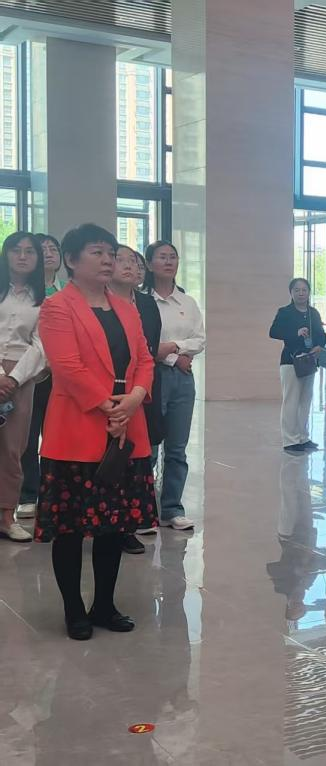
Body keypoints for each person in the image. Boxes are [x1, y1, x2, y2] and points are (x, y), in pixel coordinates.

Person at [35, 224, 158, 640]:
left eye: (111, 253)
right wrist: (110, 406)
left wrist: (134, 399)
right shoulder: (57, 307)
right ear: (71, 260)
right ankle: (74, 609)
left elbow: (144, 359)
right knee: (70, 528)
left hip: (126, 423)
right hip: (78, 427)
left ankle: (104, 603)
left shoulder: (126, 307)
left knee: (113, 524)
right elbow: (67, 367)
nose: (108, 260)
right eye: (97, 252)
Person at [141, 240, 204, 532]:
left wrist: (174, 348)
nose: (168, 262)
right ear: (149, 263)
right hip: (151, 376)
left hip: (182, 380)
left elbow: (199, 339)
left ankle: (172, 508)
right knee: (149, 448)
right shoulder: (142, 301)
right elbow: (144, 344)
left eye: (173, 257)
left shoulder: (187, 302)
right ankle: (144, 510)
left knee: (177, 448)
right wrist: (174, 358)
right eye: (162, 257)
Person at [111, 245, 165, 554]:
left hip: (140, 390)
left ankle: (128, 526)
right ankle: (105, 523)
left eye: (133, 260)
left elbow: (149, 350)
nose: (129, 265)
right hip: (107, 392)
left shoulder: (146, 303)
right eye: (120, 259)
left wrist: (138, 391)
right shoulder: (98, 303)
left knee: (135, 460)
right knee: (108, 461)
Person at [0, 232, 47, 543]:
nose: (22, 256)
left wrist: (13, 379)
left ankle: (6, 516)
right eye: (16, 250)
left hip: (22, 377)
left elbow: (41, 346)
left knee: (12, 449)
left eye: (30, 251)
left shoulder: (43, 300)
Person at [16, 234, 63, 523]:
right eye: (41, 249)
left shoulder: (68, 290)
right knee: (28, 436)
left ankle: (54, 492)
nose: (48, 253)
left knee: (57, 436)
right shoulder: (27, 293)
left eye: (53, 248)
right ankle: (28, 494)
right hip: (32, 373)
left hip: (62, 375)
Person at [270, 277, 326, 454]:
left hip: (309, 360)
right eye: (297, 290)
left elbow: (321, 334)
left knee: (305, 400)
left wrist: (319, 346)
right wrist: (296, 332)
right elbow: (274, 332)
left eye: (304, 290)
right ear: (291, 293)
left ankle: (303, 437)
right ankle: (290, 440)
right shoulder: (285, 312)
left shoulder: (313, 313)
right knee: (291, 400)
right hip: (291, 361)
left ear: (309, 292)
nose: (301, 293)